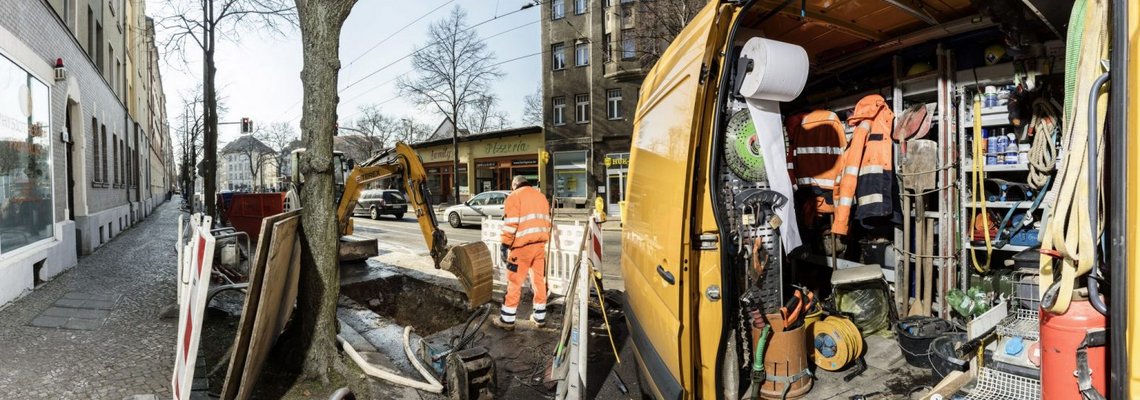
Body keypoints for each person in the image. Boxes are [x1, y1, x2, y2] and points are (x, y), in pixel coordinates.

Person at [493, 176, 552, 330]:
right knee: (539, 281)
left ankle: (507, 320)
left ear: (515, 185)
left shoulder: (514, 197)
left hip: (521, 248)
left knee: (514, 282)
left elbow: (510, 225)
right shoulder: (541, 197)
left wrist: (505, 244)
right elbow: (547, 222)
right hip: (539, 246)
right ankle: (539, 317)